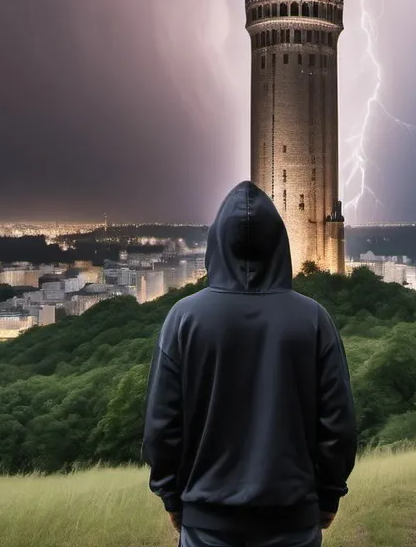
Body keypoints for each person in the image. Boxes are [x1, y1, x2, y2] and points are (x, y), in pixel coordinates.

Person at [142, 180, 357, 547]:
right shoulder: (313, 319)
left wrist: (173, 499)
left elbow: (162, 426)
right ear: (279, 243)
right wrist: (328, 495)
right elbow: (337, 424)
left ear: (216, 243)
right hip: (294, 522)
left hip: (207, 526)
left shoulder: (183, 319)